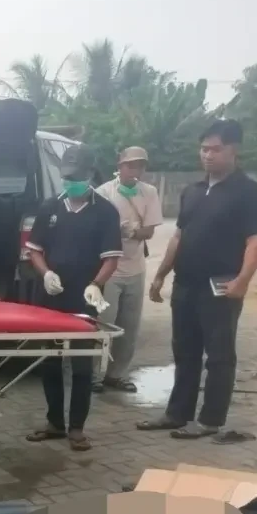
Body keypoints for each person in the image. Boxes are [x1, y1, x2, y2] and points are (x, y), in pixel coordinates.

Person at [139, 119, 257, 440]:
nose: (208, 155)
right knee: (185, 352)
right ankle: (177, 413)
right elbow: (178, 236)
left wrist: (242, 281)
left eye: (215, 149)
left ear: (234, 150)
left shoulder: (248, 192)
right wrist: (160, 275)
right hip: (186, 284)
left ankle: (210, 419)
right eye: (204, 149)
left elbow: (256, 241)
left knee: (219, 356)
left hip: (221, 285)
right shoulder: (192, 191)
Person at [24, 144, 122, 452]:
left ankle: (77, 427)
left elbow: (111, 259)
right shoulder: (50, 207)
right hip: (51, 297)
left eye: (76, 178)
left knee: (81, 365)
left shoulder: (105, 212)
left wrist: (96, 284)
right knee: (50, 361)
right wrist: (45, 274)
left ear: (90, 174)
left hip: (85, 299)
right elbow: (35, 250)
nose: (70, 183)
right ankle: (55, 422)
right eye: (66, 178)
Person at [93, 146, 163, 393]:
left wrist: (131, 232)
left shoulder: (149, 192)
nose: (135, 170)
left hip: (135, 267)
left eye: (140, 165)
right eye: (130, 165)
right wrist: (117, 231)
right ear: (120, 165)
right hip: (109, 268)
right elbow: (96, 231)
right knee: (103, 323)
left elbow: (149, 231)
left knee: (129, 326)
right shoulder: (103, 193)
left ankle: (116, 375)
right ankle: (93, 376)